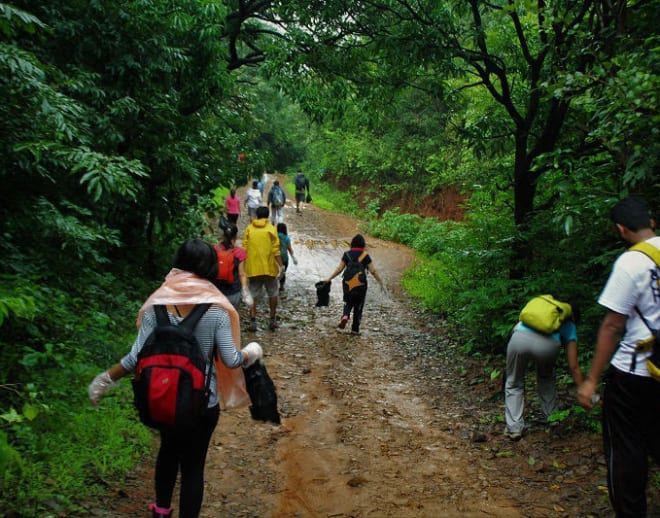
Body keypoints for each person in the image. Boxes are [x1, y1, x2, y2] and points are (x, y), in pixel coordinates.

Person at [87, 239, 263, 518]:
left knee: (168, 452)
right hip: (202, 403)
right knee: (193, 467)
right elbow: (230, 360)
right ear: (209, 268)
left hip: (164, 399)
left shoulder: (157, 306)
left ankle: (161, 511)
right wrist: (251, 352)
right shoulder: (216, 310)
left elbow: (134, 359)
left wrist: (104, 380)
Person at [577, 196, 660, 517]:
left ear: (621, 229)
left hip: (633, 374)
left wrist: (591, 380)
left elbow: (613, 325)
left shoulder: (630, 263)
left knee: (627, 452)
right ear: (651, 220)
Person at [504, 297, 583, 441]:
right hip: (547, 347)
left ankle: (514, 428)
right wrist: (584, 388)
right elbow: (573, 366)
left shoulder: (540, 310)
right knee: (546, 378)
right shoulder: (569, 324)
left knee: (514, 382)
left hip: (518, 338)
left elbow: (516, 327)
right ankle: (552, 417)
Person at [323, 234, 385, 335]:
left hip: (348, 283)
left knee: (348, 300)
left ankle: (345, 315)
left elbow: (339, 269)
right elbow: (373, 270)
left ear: (352, 244)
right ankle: (355, 329)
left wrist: (329, 278)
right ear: (362, 244)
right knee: (359, 304)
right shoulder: (365, 255)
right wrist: (380, 282)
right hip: (361, 284)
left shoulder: (347, 254)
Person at [243, 206, 283, 332]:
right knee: (273, 293)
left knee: (253, 294)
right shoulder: (271, 229)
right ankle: (272, 320)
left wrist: (243, 267)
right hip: (269, 268)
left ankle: (253, 321)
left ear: (257, 215)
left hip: (253, 268)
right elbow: (276, 249)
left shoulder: (249, 228)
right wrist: (281, 266)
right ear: (267, 216)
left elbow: (244, 248)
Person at [213, 222, 252, 311]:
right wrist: (245, 291)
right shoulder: (239, 253)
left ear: (223, 235)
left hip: (217, 290)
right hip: (233, 291)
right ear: (235, 237)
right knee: (233, 316)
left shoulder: (214, 250)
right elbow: (242, 274)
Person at [277, 222, 298, 292]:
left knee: (274, 272)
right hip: (284, 258)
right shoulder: (286, 238)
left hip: (276, 258)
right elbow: (290, 249)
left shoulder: (275, 236)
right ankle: (281, 286)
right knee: (283, 272)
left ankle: (273, 285)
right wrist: (293, 257)